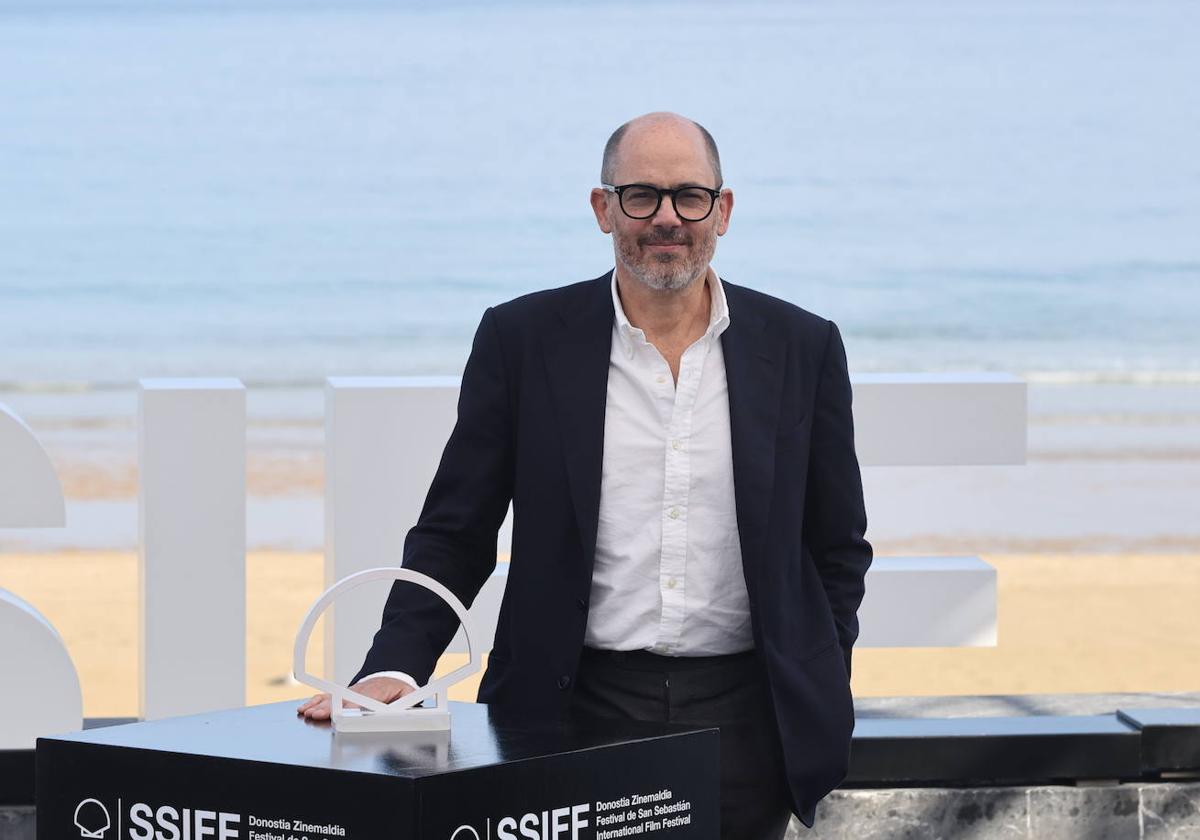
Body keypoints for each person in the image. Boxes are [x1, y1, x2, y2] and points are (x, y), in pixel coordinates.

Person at [299, 111, 873, 837]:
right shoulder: (522, 341)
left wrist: (818, 665)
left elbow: (838, 546)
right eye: (641, 195)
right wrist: (396, 667)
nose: (667, 217)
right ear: (603, 208)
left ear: (722, 211)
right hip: (569, 710)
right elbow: (456, 531)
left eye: (689, 196)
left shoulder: (803, 347)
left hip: (748, 720)